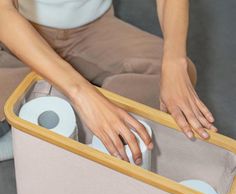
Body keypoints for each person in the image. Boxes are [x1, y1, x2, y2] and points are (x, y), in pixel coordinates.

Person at [0, 0, 217, 164]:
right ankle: (85, 114)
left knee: (182, 73)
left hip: (93, 29)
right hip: (20, 29)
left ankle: (43, 112)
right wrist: (81, 92)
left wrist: (174, 62)